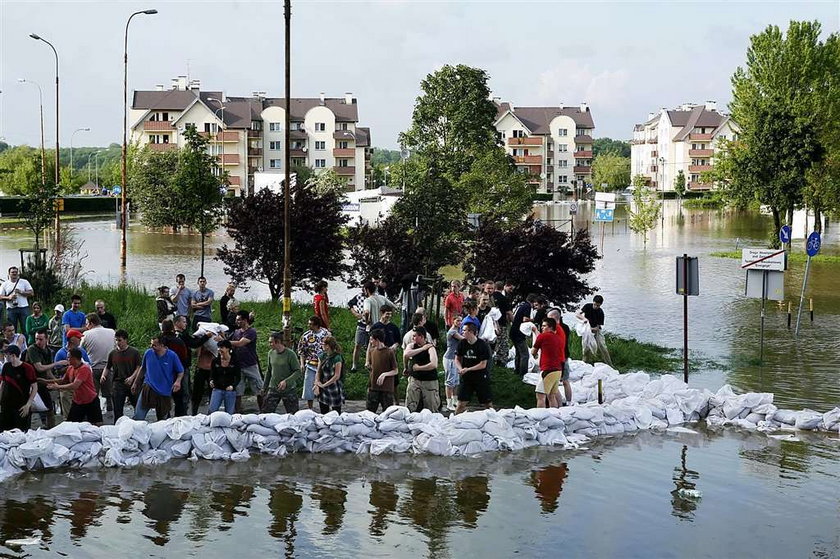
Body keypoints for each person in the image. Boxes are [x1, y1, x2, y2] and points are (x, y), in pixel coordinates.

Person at [131, 335, 185, 422]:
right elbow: (142, 368)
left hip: (164, 391)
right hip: (148, 388)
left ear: (162, 345)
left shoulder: (172, 356)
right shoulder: (148, 353)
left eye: (154, 345)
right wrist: (135, 383)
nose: (151, 347)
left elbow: (180, 371)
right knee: (138, 416)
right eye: (151, 344)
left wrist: (178, 382)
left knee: (163, 421)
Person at [48, 347, 102, 426]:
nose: (67, 359)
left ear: (74, 358)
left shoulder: (84, 369)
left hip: (90, 400)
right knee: (71, 424)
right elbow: (62, 380)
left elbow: (75, 385)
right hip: (78, 401)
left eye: (69, 357)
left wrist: (58, 387)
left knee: (96, 425)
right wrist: (44, 381)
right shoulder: (70, 368)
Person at [454, 323, 493, 414]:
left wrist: (468, 369)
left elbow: (483, 364)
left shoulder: (482, 345)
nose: (462, 332)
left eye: (464, 330)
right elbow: (457, 359)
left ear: (471, 332)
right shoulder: (462, 343)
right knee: (461, 403)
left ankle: (495, 420)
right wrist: (460, 369)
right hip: (467, 378)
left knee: (488, 404)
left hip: (480, 377)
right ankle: (454, 422)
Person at [81, 313, 116, 411]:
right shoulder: (112, 332)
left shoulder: (86, 334)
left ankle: (95, 417)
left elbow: (80, 350)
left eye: (87, 324)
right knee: (110, 396)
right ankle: (113, 417)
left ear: (91, 323)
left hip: (93, 368)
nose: (86, 326)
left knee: (92, 396)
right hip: (109, 368)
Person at [105, 329, 142, 421]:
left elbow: (139, 367)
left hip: (132, 382)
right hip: (118, 383)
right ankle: (118, 426)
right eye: (116, 340)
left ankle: (138, 425)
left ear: (125, 340)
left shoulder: (134, 352)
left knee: (137, 407)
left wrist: (132, 378)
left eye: (120, 340)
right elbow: (108, 366)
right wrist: (103, 375)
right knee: (117, 409)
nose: (118, 343)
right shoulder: (113, 353)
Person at [53, 330, 91, 418]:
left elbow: (88, 365)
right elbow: (58, 371)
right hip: (67, 387)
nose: (80, 339)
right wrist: (71, 365)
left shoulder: (82, 351)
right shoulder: (61, 353)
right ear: (73, 340)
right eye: (78, 338)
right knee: (69, 415)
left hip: (81, 386)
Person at [261, 332, 302, 414]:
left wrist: (286, 381)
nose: (269, 344)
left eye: (271, 342)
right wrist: (264, 387)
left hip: (289, 389)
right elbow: (269, 371)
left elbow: (298, 371)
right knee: (265, 413)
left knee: (293, 414)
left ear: (278, 342)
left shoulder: (290, 354)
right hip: (274, 388)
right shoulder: (271, 353)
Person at [0, 345, 38, 431]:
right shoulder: (6, 366)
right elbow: (2, 384)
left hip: (21, 405)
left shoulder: (27, 368)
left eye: (7, 355)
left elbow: (35, 387)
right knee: (5, 432)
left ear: (13, 355)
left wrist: (28, 405)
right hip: (6, 405)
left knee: (21, 432)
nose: (5, 357)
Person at [403, 326, 441, 413]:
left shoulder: (430, 348)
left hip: (429, 381)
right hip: (415, 380)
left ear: (422, 337)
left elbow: (434, 364)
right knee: (410, 406)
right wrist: (422, 349)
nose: (412, 338)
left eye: (415, 336)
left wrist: (419, 368)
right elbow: (406, 354)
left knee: (430, 407)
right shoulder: (412, 346)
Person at [231, 311, 263, 412]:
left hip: (250, 364)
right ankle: (238, 411)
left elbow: (240, 343)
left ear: (245, 320)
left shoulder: (251, 332)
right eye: (236, 320)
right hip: (238, 366)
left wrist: (224, 341)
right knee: (238, 391)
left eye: (239, 320)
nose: (237, 322)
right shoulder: (236, 332)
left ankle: (263, 410)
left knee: (259, 388)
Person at [26, 328, 57, 428]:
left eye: (40, 339)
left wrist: (56, 382)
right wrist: (56, 363)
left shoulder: (48, 351)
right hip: (30, 382)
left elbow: (47, 371)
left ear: (46, 339)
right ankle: (26, 429)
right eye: (36, 339)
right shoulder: (32, 349)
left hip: (42, 382)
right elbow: (39, 367)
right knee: (29, 408)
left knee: (49, 407)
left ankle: (50, 428)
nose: (38, 342)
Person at [531, 317, 566, 408]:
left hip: (547, 370)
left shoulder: (542, 336)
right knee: (551, 396)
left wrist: (535, 355)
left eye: (544, 326)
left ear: (550, 327)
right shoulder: (559, 339)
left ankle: (540, 416)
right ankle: (553, 417)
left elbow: (533, 351)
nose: (542, 328)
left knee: (540, 396)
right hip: (558, 370)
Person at [297, 316, 330, 410]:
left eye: (311, 324)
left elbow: (332, 347)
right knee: (309, 387)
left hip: (324, 365)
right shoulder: (306, 336)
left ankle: (324, 408)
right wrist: (302, 364)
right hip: (311, 364)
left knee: (323, 386)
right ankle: (310, 408)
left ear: (316, 325)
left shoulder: (326, 334)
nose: (309, 325)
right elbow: (301, 351)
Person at [159, 319, 190, 417]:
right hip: (178, 373)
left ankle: (164, 418)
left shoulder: (159, 342)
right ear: (172, 328)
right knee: (180, 399)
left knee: (163, 398)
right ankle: (180, 417)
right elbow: (184, 358)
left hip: (162, 374)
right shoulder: (179, 342)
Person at [365, 329, 398, 413]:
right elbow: (372, 367)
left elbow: (395, 370)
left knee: (387, 413)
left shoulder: (390, 352)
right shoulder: (372, 351)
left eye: (372, 339)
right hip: (373, 387)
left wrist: (385, 374)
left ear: (377, 340)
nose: (371, 342)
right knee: (369, 413)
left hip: (386, 389)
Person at [576, 295, 613, 366]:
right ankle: (584, 364)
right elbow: (578, 314)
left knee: (602, 346)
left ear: (600, 305)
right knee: (586, 349)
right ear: (593, 302)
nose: (596, 306)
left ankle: (610, 364)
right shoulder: (587, 306)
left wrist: (591, 329)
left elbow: (597, 328)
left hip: (596, 331)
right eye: (595, 304)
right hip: (587, 330)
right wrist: (584, 319)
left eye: (598, 305)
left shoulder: (600, 312)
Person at [314, 336, 344, 414]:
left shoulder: (337, 358)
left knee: (336, 411)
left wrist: (324, 385)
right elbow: (318, 371)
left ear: (327, 346)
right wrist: (317, 383)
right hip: (323, 385)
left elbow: (337, 375)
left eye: (323, 344)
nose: (321, 345)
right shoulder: (322, 356)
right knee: (323, 411)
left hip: (333, 386)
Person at [510, 294, 538, 377]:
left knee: (518, 353)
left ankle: (517, 370)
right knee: (525, 354)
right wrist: (534, 320)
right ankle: (523, 374)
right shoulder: (527, 307)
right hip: (519, 333)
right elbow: (525, 319)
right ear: (533, 302)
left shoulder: (522, 305)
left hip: (513, 331)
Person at [0, 266, 34, 336]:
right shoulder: (5, 284)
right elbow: (0, 296)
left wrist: (21, 292)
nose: (14, 274)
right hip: (11, 309)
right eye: (12, 272)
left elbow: (31, 293)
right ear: (9, 274)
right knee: (11, 329)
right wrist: (9, 298)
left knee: (25, 328)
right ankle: (13, 345)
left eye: (16, 272)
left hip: (23, 308)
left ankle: (26, 345)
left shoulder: (24, 282)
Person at [208, 340, 240, 413]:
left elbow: (238, 376)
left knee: (229, 412)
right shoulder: (215, 361)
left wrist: (233, 386)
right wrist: (211, 381)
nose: (219, 349)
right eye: (218, 347)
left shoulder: (235, 361)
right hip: (217, 389)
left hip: (230, 390)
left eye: (222, 347)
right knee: (212, 410)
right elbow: (212, 374)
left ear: (228, 349)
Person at [443, 316, 464, 411]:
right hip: (449, 358)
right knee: (450, 381)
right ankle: (449, 402)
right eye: (457, 320)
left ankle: (455, 400)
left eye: (461, 320)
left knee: (456, 381)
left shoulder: (459, 330)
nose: (459, 322)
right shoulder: (453, 332)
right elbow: (463, 339)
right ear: (453, 321)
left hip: (456, 358)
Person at [347, 287, 368, 372]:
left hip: (371, 325)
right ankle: (354, 365)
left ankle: (369, 364)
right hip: (361, 324)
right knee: (357, 345)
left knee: (370, 346)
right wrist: (355, 313)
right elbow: (349, 304)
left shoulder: (374, 297)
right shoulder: (359, 296)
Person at [492, 281, 513, 365]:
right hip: (502, 323)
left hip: (491, 323)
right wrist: (513, 322)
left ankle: (493, 358)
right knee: (503, 343)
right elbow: (508, 312)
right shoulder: (504, 298)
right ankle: (502, 360)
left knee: (493, 342)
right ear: (503, 287)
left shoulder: (491, 297)